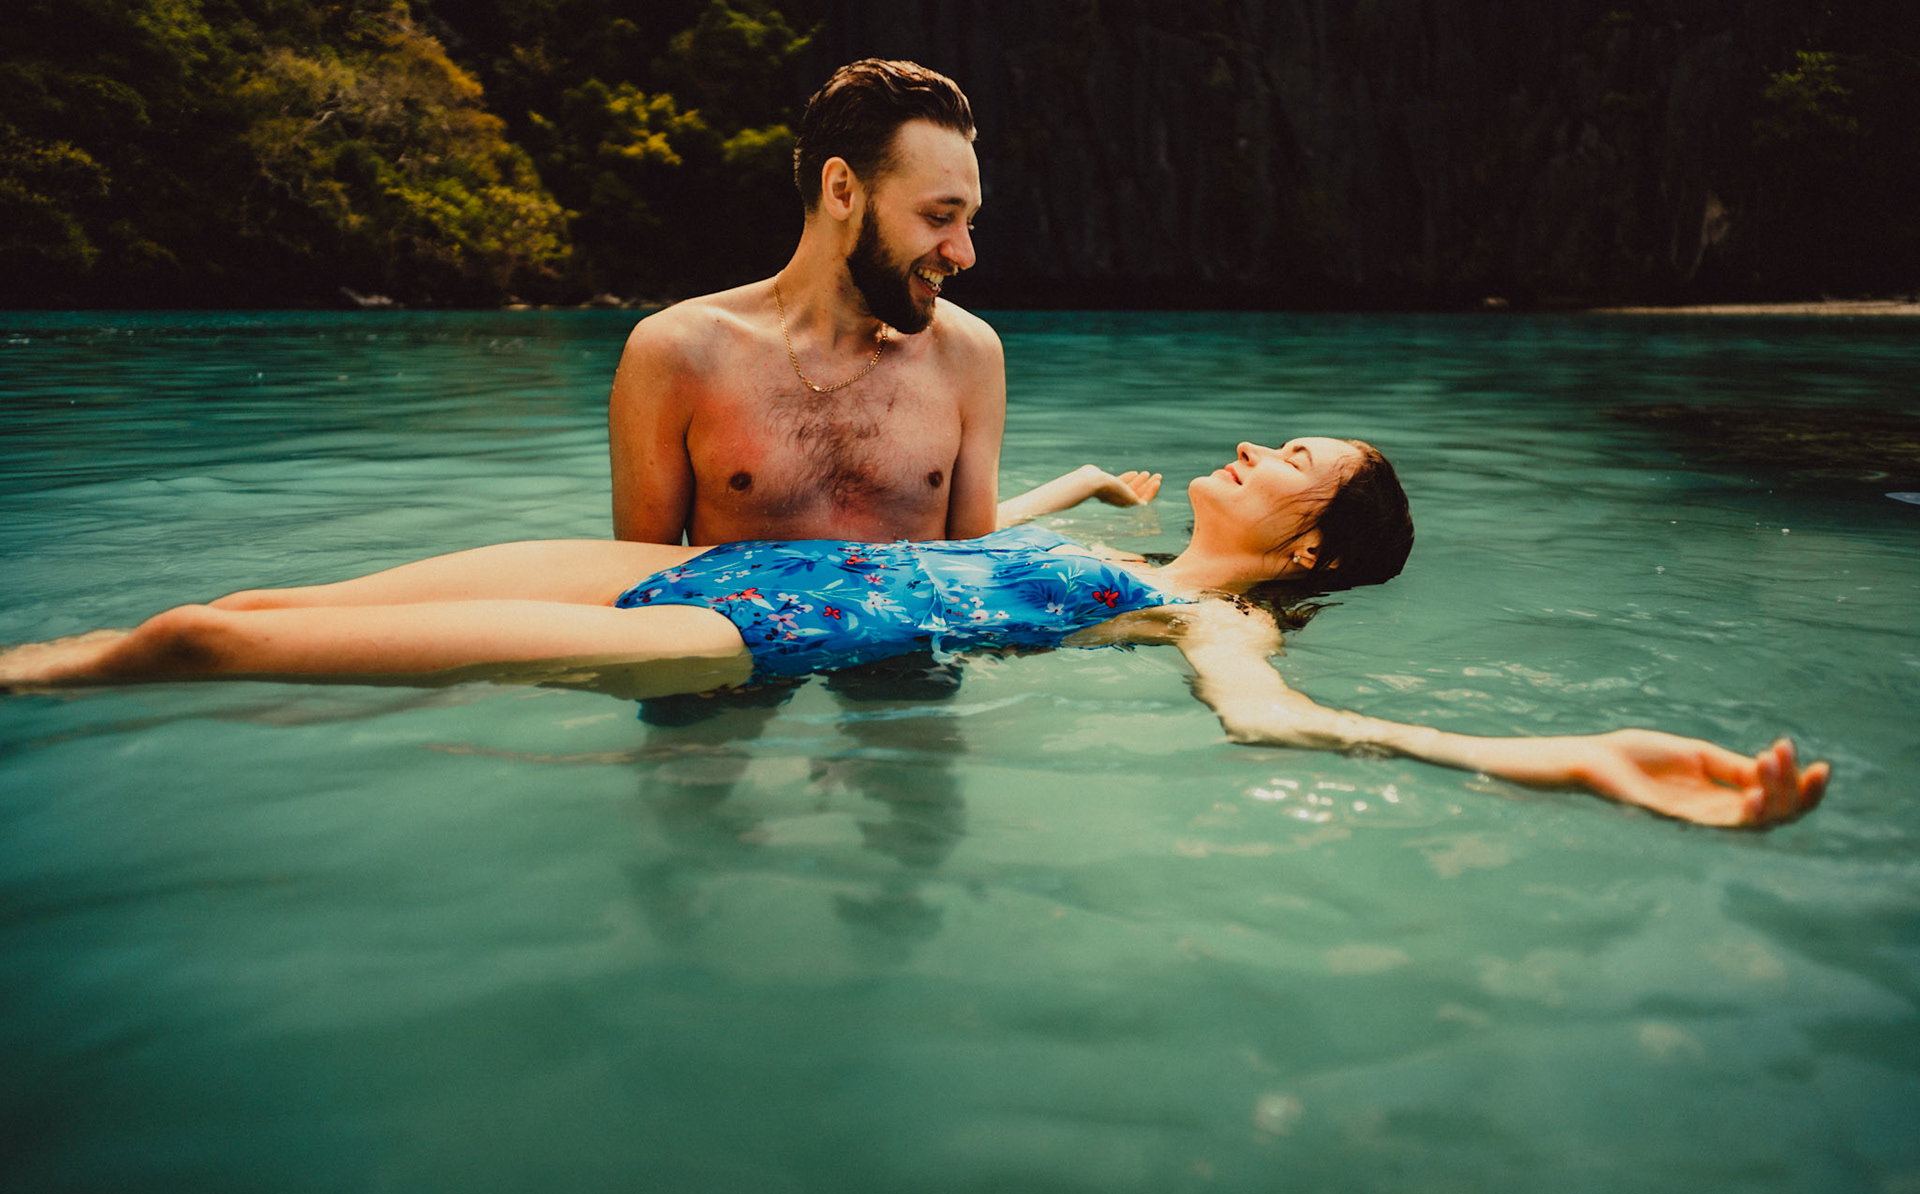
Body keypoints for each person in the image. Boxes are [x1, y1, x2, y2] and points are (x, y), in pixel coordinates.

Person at [0, 438, 1827, 829]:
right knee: (255, 603)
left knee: (196, 638)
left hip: (723, 644)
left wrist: (1575, 757)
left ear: (1312, 544)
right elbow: (952, 564)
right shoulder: (1140, 556)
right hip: (703, 559)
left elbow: (1295, 737)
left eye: (1296, 460)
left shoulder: (1205, 620)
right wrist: (1050, 500)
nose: (1254, 449)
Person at [608, 59, 1005, 546]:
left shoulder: (969, 355)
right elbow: (640, 586)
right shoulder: (677, 354)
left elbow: (979, 582)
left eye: (970, 221)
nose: (963, 253)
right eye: (939, 216)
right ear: (842, 191)